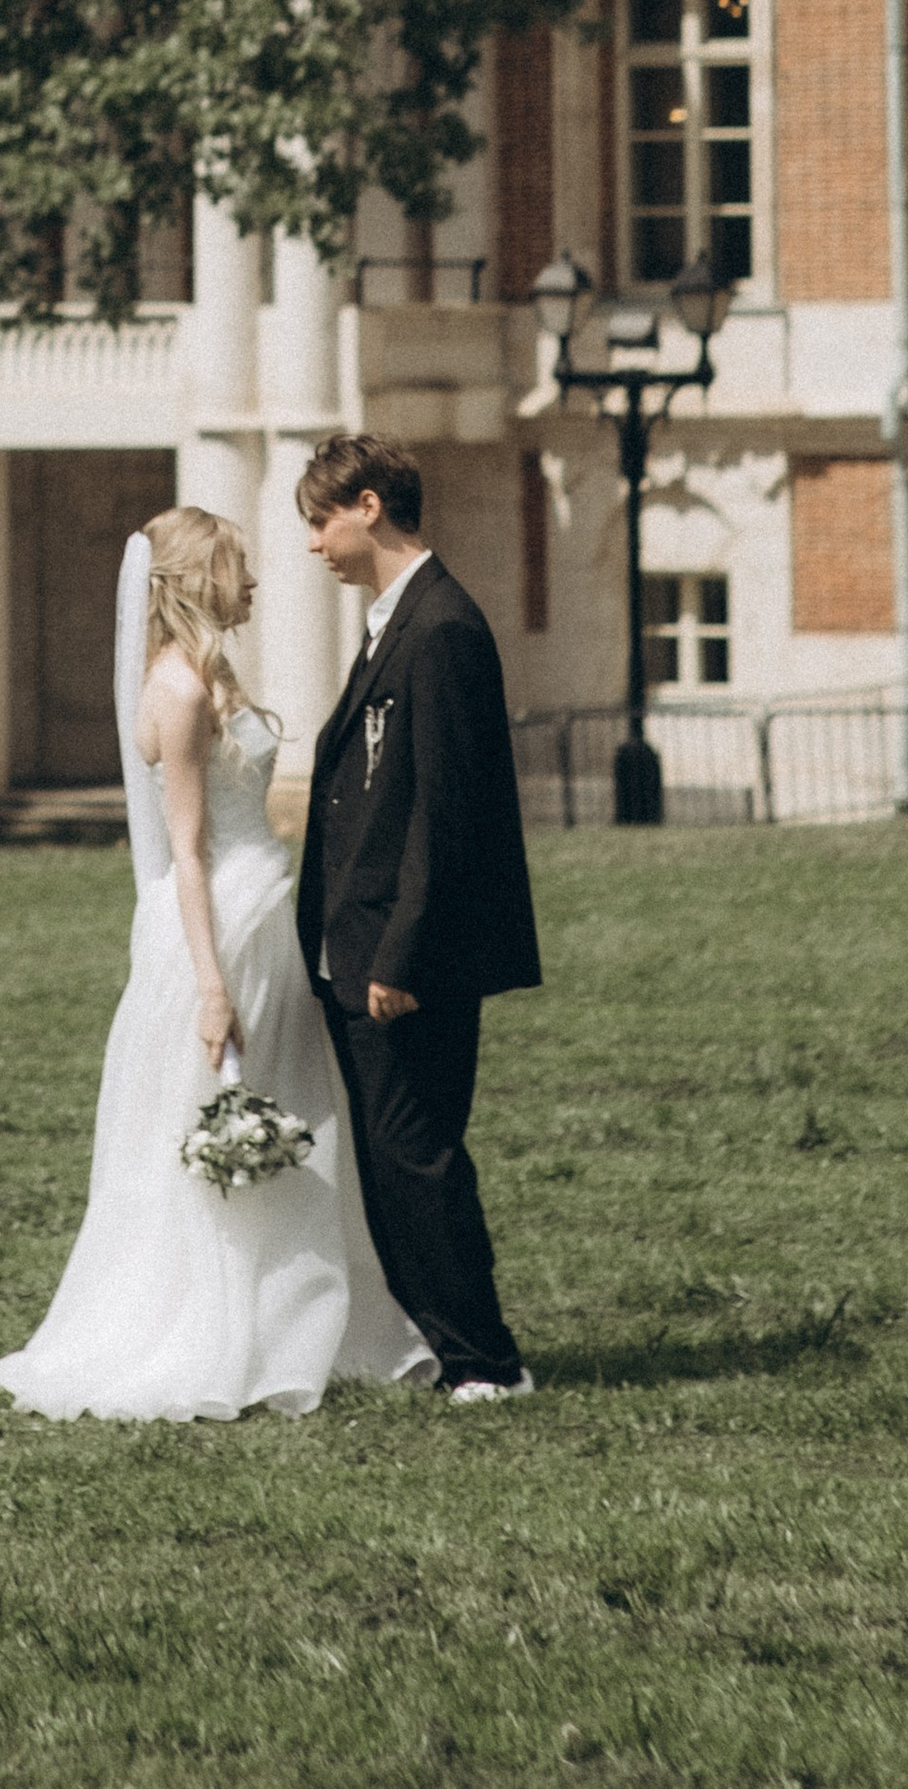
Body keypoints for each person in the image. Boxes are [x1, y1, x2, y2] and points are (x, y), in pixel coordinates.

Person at [0, 506, 434, 1421]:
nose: (257, 583)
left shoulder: (210, 674)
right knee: (230, 1116)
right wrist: (209, 986)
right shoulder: (180, 693)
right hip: (221, 926)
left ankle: (305, 1321)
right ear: (197, 581)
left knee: (297, 1110)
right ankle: (218, 1329)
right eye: (238, 568)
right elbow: (186, 850)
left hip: (265, 912)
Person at [295, 430, 541, 1403]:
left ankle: (485, 1359)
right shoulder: (395, 623)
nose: (314, 545)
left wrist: (400, 954)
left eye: (319, 519)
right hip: (357, 949)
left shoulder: (440, 628)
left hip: (406, 958)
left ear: (367, 504)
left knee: (417, 1155)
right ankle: (457, 1351)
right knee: (398, 1159)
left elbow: (449, 812)